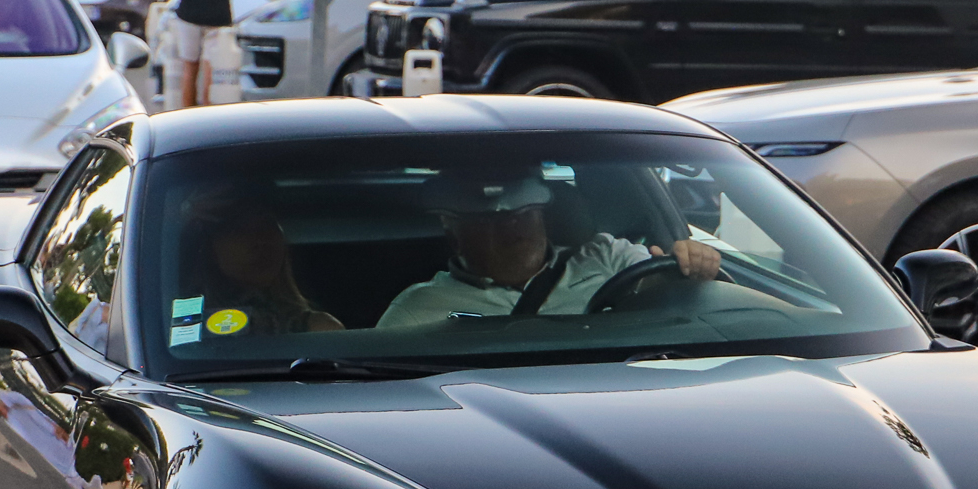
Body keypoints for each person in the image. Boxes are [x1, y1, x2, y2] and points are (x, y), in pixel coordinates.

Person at [380, 172, 722, 329]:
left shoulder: (606, 255)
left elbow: (659, 286)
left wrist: (692, 269)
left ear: (545, 216)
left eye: (525, 214)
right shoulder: (418, 310)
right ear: (458, 233)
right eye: (491, 220)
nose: (513, 227)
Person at [186, 197, 343, 337]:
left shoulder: (318, 329)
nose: (260, 240)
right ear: (210, 249)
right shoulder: (186, 330)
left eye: (268, 224)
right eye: (238, 229)